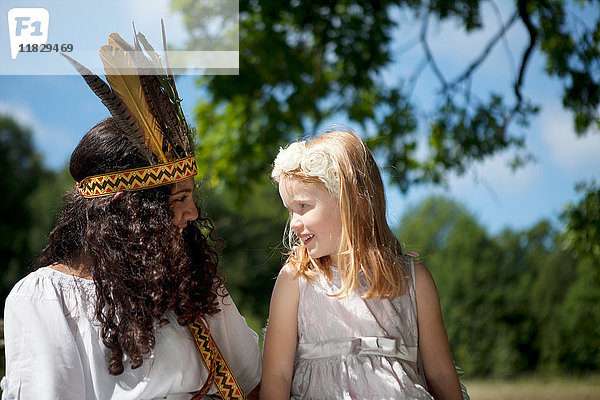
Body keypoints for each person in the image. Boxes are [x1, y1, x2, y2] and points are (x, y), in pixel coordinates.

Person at [1, 30, 261, 400]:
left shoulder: (194, 286)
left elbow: (252, 383)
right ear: (133, 210)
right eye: (180, 197)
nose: (192, 212)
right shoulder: (46, 299)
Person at [260, 129, 468, 399]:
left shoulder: (413, 280)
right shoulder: (297, 280)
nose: (294, 223)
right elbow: (277, 373)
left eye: (303, 206)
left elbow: (440, 374)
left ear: (354, 203)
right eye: (290, 210)